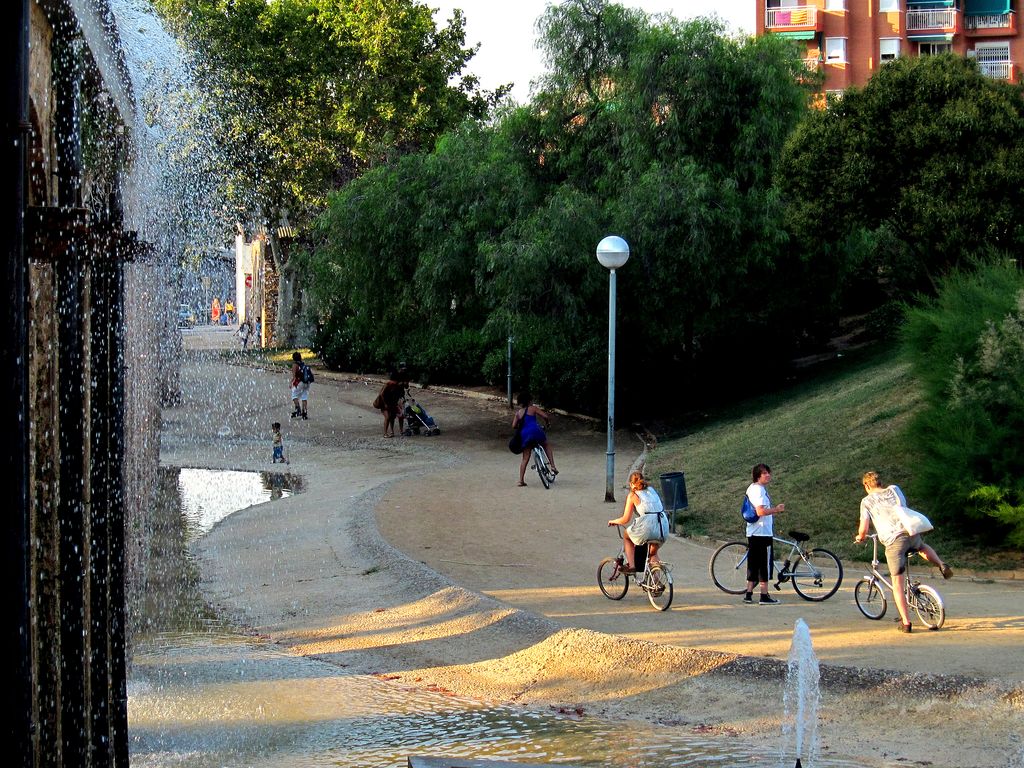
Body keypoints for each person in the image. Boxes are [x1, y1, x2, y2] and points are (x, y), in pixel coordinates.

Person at [855, 471, 953, 633]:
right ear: (880, 482)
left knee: (897, 584)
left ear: (866, 485)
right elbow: (902, 507)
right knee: (921, 546)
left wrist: (860, 537)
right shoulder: (894, 489)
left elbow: (864, 529)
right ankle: (941, 564)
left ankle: (906, 623)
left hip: (894, 542)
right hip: (911, 532)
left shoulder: (866, 501)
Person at [607, 471, 669, 572]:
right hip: (663, 526)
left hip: (648, 526)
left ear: (631, 484)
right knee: (652, 554)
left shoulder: (633, 495)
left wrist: (614, 521)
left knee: (627, 535)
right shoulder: (651, 490)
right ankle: (657, 583)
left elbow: (625, 519)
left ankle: (632, 566)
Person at [743, 463, 784, 605]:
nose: (768, 475)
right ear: (757, 476)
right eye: (764, 473)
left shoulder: (751, 488)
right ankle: (764, 595)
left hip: (753, 532)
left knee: (753, 564)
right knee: (764, 565)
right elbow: (760, 511)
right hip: (762, 533)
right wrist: (776, 509)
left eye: (768, 472)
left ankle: (748, 594)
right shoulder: (759, 490)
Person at [511, 391, 556, 486]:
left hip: (525, 435)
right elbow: (545, 416)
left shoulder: (518, 413)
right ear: (529, 401)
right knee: (546, 444)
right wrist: (547, 423)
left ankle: (521, 481)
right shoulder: (533, 408)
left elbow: (513, 426)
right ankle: (552, 466)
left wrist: (521, 427)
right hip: (536, 431)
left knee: (525, 458)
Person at [379, 371, 405, 437]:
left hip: (393, 404)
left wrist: (400, 405)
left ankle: (400, 431)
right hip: (384, 403)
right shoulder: (388, 385)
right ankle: (385, 433)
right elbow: (381, 394)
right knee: (388, 417)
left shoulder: (398, 386)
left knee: (396, 416)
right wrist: (385, 404)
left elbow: (400, 396)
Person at [290, 351, 310, 420]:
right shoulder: (302, 364)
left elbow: (294, 376)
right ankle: (304, 413)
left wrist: (291, 383)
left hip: (300, 382)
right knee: (304, 397)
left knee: (294, 395)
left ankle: (298, 409)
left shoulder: (295, 365)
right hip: (307, 382)